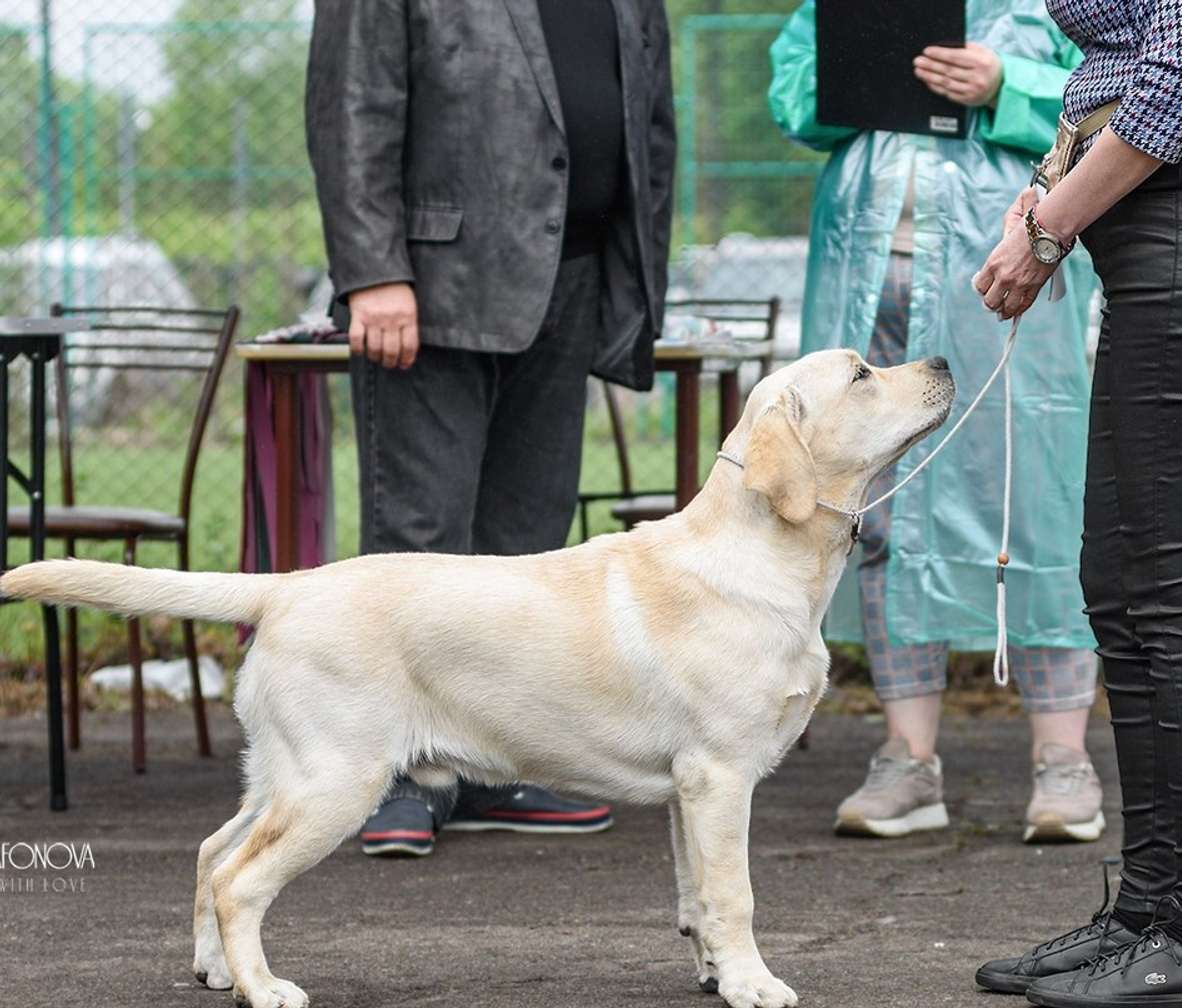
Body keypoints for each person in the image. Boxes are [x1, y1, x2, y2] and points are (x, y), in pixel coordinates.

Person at [305, 0, 676, 856]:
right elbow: (350, 102)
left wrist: (639, 274)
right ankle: (396, 774)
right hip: (429, 288)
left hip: (572, 280)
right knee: (416, 543)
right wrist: (370, 272)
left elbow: (648, 120)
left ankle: (500, 764)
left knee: (529, 554)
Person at [972, 0, 1182, 1008]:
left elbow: (1181, 77)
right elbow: (1116, 71)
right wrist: (1040, 204)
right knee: (1117, 586)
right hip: (1159, 229)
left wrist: (1046, 230)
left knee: (1167, 594)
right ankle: (1146, 909)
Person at [768, 1, 1104, 846]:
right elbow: (791, 92)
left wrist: (1006, 85)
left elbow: (1117, 97)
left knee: (1036, 502)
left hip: (1011, 278)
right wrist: (853, 80)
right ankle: (907, 758)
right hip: (866, 283)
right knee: (876, 514)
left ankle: (1063, 757)